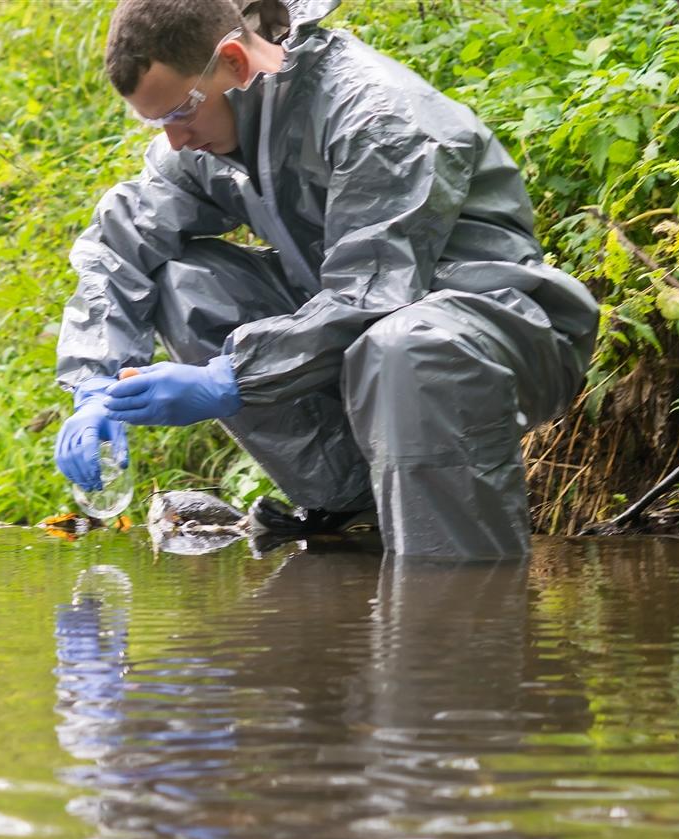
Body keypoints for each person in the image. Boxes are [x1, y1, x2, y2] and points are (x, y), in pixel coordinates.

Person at [52, 0, 600, 559]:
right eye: (155, 121)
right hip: (365, 331)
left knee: (404, 346)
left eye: (177, 115)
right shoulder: (218, 121)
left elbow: (372, 295)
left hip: (496, 329)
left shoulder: (377, 116)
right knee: (185, 282)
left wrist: (229, 376)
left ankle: (457, 588)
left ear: (236, 63)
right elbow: (116, 241)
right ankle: (355, 504)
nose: (173, 140)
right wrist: (93, 386)